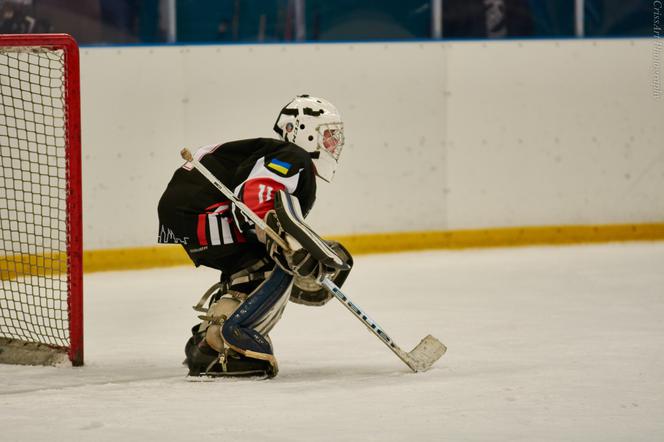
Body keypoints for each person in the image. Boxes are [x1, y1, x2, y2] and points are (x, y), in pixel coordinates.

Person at [157, 95, 353, 378]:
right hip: (203, 211)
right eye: (327, 134)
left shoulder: (273, 153)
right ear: (301, 131)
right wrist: (293, 248)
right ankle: (230, 341)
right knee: (274, 263)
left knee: (251, 264)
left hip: (187, 211)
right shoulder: (292, 155)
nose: (333, 143)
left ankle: (205, 343)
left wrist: (293, 244)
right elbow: (255, 193)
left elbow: (257, 203)